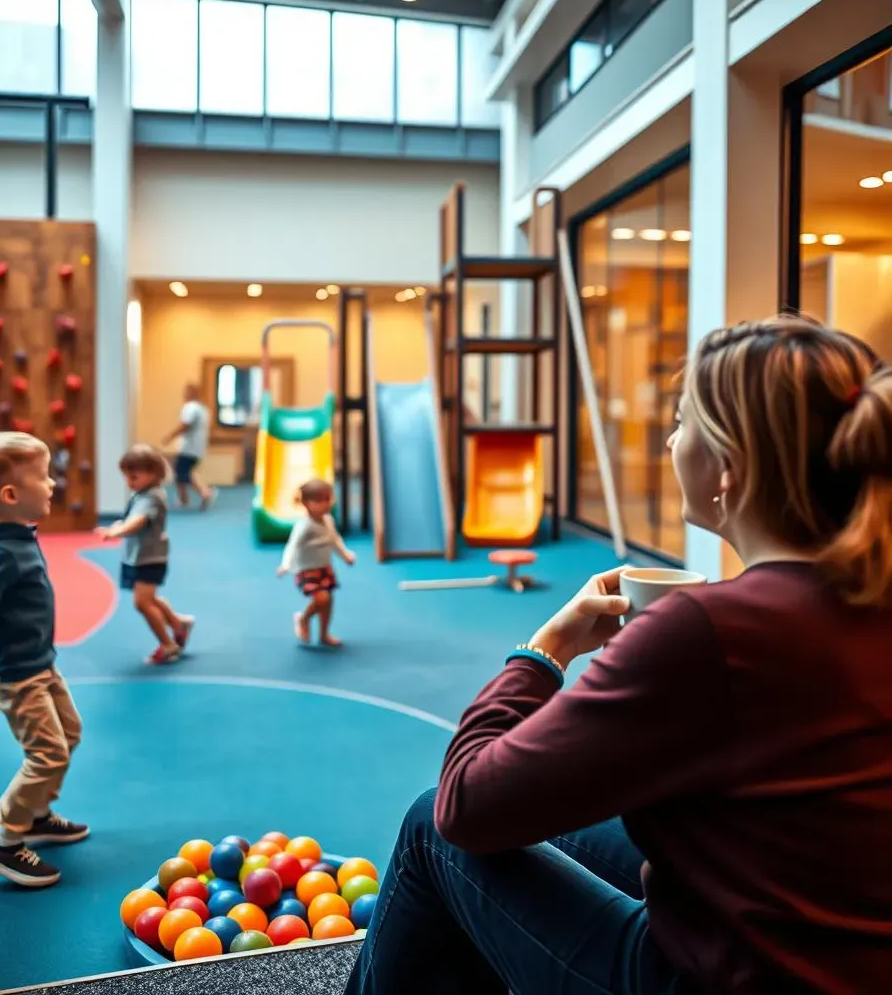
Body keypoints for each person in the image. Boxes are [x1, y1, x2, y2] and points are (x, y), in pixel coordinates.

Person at [345, 316, 892, 995]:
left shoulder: (713, 629)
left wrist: (544, 651)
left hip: (724, 978)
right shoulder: (865, 597)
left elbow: (466, 804)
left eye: (683, 421)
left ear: (727, 466)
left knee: (433, 827)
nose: (670, 439)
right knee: (574, 827)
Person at [0, 429, 89, 889]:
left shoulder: (16, 534)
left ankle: (35, 815)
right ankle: (4, 841)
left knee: (69, 733)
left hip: (41, 663)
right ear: (11, 495)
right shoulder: (1, 551)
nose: (53, 484)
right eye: (44, 478)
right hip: (17, 676)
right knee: (47, 753)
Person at [96, 444, 194, 665]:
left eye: (133, 476)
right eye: (127, 477)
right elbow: (132, 519)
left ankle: (168, 644)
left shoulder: (152, 497)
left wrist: (117, 532)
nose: (129, 482)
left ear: (153, 474)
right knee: (149, 598)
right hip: (141, 556)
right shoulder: (142, 494)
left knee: (141, 603)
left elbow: (138, 521)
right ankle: (179, 624)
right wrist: (117, 526)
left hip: (150, 558)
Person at [277, 478, 355, 647]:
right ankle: (303, 619)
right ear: (306, 503)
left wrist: (345, 555)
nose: (325, 504)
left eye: (328, 499)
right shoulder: (305, 526)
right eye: (319, 501)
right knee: (322, 599)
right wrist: (286, 564)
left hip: (324, 568)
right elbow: (293, 545)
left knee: (328, 602)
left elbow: (335, 540)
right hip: (307, 569)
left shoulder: (328, 520)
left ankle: (324, 634)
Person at [162, 382, 214, 510]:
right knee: (184, 472)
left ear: (192, 393)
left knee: (183, 474)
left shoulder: (191, 407)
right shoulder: (203, 409)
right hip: (197, 448)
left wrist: (170, 436)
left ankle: (204, 493)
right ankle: (184, 499)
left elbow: (185, 424)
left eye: (186, 391)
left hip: (189, 448)